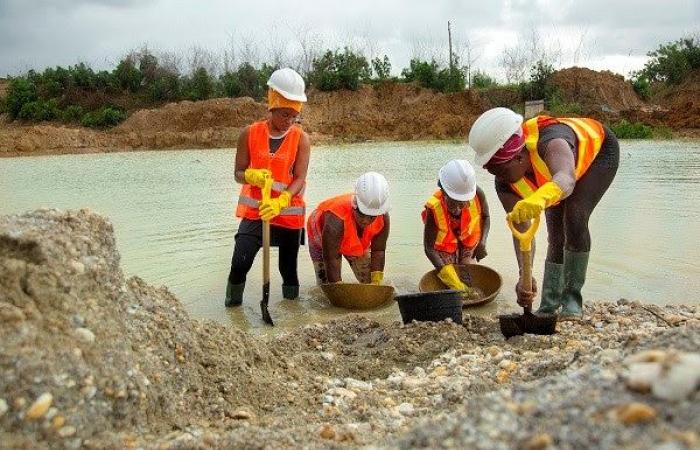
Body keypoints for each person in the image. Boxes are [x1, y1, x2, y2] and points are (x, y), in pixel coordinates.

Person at [468, 107, 619, 319]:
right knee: (555, 235)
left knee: (574, 216)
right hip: (553, 178)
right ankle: (549, 303)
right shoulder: (504, 184)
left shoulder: (552, 141)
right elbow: (522, 232)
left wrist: (538, 199)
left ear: (519, 157)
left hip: (599, 154)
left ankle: (572, 301)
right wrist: (525, 276)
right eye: (494, 173)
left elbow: (565, 179)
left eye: (501, 171)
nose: (499, 178)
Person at [225, 68, 311, 307]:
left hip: (287, 213)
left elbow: (300, 178)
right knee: (240, 261)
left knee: (288, 269)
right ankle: (232, 308)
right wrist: (251, 176)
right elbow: (238, 174)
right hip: (256, 211)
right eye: (285, 114)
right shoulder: (249, 134)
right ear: (272, 105)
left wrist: (281, 201)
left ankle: (292, 313)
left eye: (294, 116)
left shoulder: (301, 139)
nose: (289, 121)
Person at [307, 172, 391, 285]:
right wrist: (337, 287)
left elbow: (378, 251)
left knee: (369, 282)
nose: (366, 221)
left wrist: (376, 281)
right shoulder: (335, 219)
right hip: (321, 237)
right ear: (355, 204)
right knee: (326, 286)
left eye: (372, 216)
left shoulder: (383, 218)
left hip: (353, 239)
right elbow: (332, 258)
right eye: (362, 213)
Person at [422, 159, 490, 291]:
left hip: (469, 242)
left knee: (469, 273)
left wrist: (482, 243)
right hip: (445, 248)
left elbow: (486, 217)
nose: (461, 207)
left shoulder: (478, 193)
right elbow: (429, 248)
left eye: (465, 202)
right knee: (450, 280)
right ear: (444, 192)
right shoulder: (434, 207)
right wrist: (452, 280)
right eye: (456, 202)